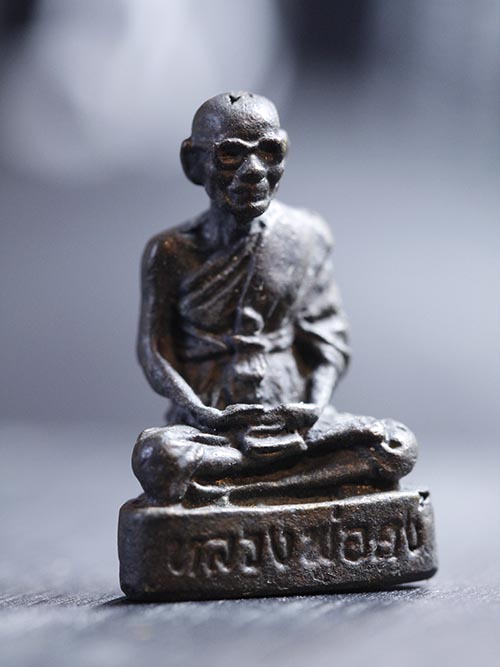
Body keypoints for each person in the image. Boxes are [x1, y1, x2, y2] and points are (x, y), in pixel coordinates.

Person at [132, 92, 417, 506]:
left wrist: (313, 407)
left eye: (268, 152)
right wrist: (202, 413)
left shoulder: (307, 236)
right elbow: (155, 350)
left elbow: (328, 341)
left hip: (295, 422)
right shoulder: (171, 252)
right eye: (231, 155)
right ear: (193, 163)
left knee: (395, 446)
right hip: (213, 429)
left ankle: (242, 490)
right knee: (159, 458)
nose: (253, 170)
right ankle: (287, 485)